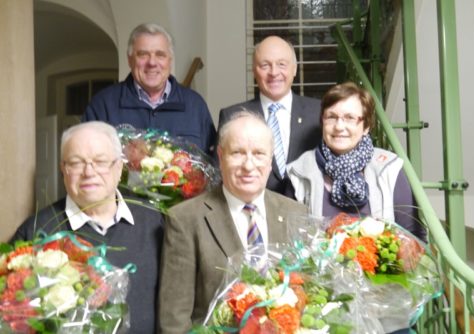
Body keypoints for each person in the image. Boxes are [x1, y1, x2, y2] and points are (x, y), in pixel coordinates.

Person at [286, 82, 426, 334]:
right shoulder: (299, 171)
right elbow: (290, 243)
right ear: (322, 122)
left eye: (350, 117)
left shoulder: (388, 168)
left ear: (366, 125)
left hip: (386, 310)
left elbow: (412, 240)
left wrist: (374, 262)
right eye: (332, 117)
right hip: (323, 309)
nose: (340, 126)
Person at [157, 111, 307, 333]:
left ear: (270, 158)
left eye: (258, 153)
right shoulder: (185, 219)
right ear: (220, 155)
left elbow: (308, 297)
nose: (248, 165)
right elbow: (173, 318)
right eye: (237, 153)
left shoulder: (296, 213)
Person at [12, 121, 164, 333]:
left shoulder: (155, 223)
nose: (89, 172)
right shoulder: (36, 231)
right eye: (76, 163)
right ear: (63, 169)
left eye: (100, 161)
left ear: (119, 167)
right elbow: (14, 313)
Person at [82, 23, 216, 156]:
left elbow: (214, 164)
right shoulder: (102, 105)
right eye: (143, 54)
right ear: (130, 60)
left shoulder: (195, 105)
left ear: (170, 60)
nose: (152, 63)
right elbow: (82, 157)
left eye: (160, 55)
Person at [218, 35, 322, 194]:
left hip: (308, 213)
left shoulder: (319, 112)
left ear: (294, 68)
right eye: (265, 65)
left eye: (282, 64)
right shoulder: (233, 116)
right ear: (254, 70)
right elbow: (222, 172)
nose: (274, 72)